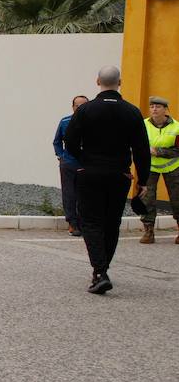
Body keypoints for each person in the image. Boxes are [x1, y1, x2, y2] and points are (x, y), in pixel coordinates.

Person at [64, 66, 151, 295]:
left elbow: (70, 141)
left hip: (90, 173)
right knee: (112, 223)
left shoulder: (85, 110)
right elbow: (142, 150)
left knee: (91, 222)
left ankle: (100, 271)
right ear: (119, 82)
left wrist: (83, 161)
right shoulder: (132, 112)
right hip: (119, 174)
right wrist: (142, 181)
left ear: (97, 81)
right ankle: (102, 270)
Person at [139, 96, 179, 245]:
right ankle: (149, 231)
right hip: (149, 167)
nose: (154, 109)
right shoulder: (142, 125)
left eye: (158, 107)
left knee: (177, 199)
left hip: (173, 167)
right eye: (152, 106)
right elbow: (135, 144)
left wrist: (159, 152)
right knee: (147, 199)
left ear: (165, 110)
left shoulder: (176, 127)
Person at [52, 94, 90, 237]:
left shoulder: (94, 122)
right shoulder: (65, 121)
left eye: (83, 105)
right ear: (73, 107)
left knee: (85, 195)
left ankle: (84, 222)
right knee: (69, 194)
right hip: (69, 164)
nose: (80, 108)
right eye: (77, 105)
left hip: (87, 165)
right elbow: (56, 141)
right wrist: (61, 156)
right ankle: (72, 223)